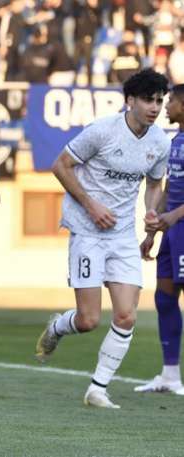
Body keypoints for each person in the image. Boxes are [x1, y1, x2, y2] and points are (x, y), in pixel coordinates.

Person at [35, 68, 170, 409]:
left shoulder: (159, 142)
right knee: (89, 320)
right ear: (130, 100)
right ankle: (58, 327)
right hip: (87, 230)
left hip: (122, 236)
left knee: (126, 316)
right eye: (148, 100)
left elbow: (154, 184)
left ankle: (97, 389)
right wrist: (91, 205)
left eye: (159, 101)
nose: (154, 107)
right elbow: (61, 166)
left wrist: (150, 211)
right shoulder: (102, 130)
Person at [135, 84, 184, 395]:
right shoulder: (175, 141)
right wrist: (152, 233)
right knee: (164, 299)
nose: (165, 106)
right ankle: (170, 376)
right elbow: (167, 189)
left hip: (181, 226)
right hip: (172, 232)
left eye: (171, 101)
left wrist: (175, 216)